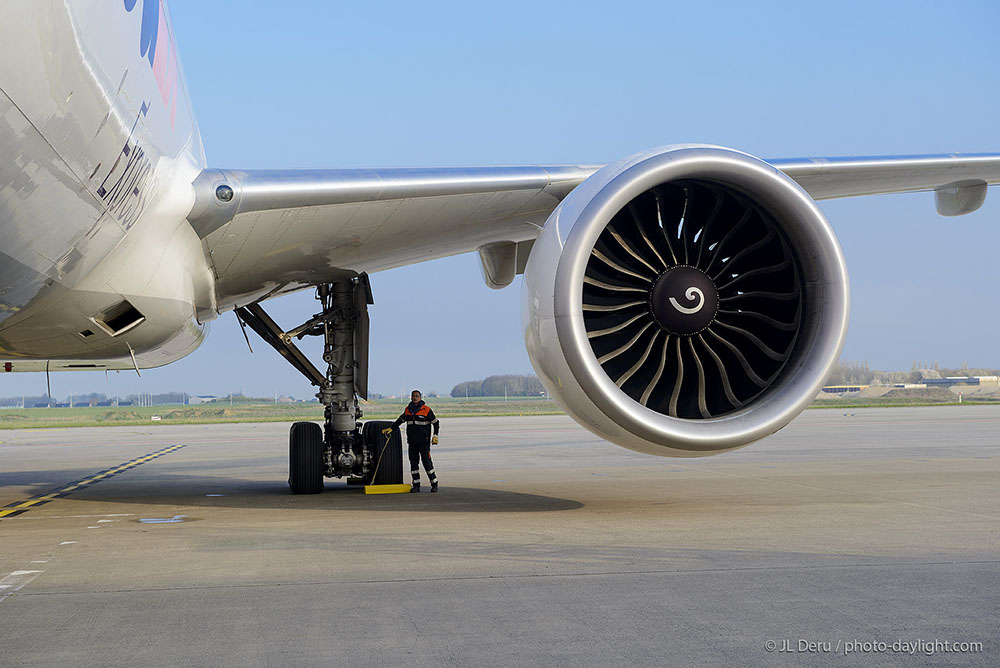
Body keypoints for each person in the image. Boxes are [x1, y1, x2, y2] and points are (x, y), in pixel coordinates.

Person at [384, 389, 440, 492]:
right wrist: (392, 428)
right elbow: (400, 420)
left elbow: (435, 423)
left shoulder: (426, 410)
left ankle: (434, 483)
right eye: (413, 396)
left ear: (420, 397)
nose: (415, 398)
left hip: (424, 442)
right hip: (412, 442)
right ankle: (416, 485)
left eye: (417, 396)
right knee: (414, 464)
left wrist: (435, 435)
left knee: (427, 463)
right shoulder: (408, 410)